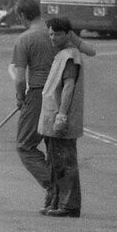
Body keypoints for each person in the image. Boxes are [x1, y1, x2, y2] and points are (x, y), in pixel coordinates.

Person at [39, 16, 97, 217]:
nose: (53, 38)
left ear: (67, 34)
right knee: (55, 163)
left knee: (65, 162)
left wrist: (61, 117)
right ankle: (55, 202)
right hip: (50, 119)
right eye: (51, 34)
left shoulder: (70, 56)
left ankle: (69, 205)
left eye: (57, 34)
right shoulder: (62, 54)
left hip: (59, 118)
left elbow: (68, 87)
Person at [8, 0, 58, 212]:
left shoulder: (25, 39)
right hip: (61, 92)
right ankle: (56, 196)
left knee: (25, 145)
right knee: (53, 144)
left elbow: (20, 78)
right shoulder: (54, 32)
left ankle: (54, 186)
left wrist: (20, 98)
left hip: (38, 94)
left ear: (22, 16)